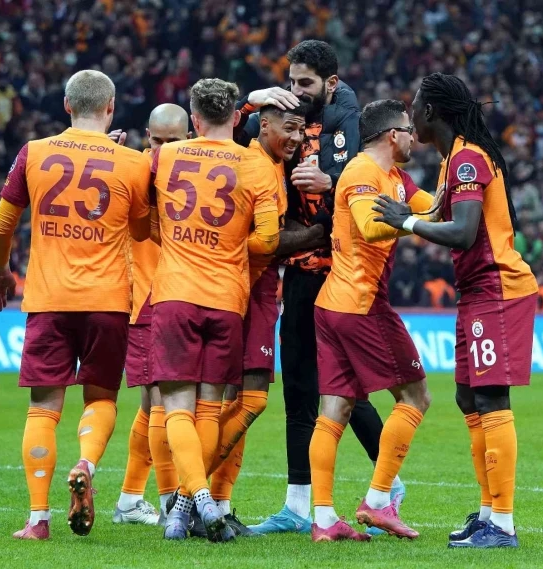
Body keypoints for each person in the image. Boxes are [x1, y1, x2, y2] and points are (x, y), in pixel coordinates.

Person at [237, 39, 403, 537]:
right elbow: (236, 129)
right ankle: (297, 505)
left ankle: (388, 489)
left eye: (304, 83)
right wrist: (253, 99)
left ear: (331, 83)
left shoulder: (348, 117)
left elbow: (362, 176)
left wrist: (329, 181)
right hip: (300, 274)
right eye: (290, 81)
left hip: (342, 274)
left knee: (345, 390)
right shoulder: (287, 111)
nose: (295, 91)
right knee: (301, 389)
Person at [373, 73, 539, 548]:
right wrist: (404, 211)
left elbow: (464, 232)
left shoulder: (467, 159)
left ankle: (502, 524)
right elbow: (439, 218)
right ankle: (487, 513)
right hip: (476, 292)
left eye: (415, 106)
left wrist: (406, 222)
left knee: (491, 400)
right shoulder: (453, 160)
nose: (411, 115)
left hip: (497, 290)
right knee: (468, 398)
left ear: (432, 112)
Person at [0, 70, 152, 540]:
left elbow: (0, 227)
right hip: (108, 300)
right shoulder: (132, 163)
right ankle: (86, 465)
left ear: (66, 105)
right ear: (110, 107)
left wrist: (1, 272)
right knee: (100, 399)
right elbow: (142, 231)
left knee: (43, 409)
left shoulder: (34, 152)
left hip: (49, 297)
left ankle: (38, 519)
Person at [149, 78, 281, 543]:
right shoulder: (257, 163)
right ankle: (190, 508)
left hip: (175, 292)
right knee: (209, 408)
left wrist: (176, 240)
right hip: (227, 298)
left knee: (176, 409)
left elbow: (146, 221)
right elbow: (269, 239)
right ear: (235, 116)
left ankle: (193, 500)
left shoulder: (164, 156)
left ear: (195, 119)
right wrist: (229, 248)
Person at [310, 100, 437, 542]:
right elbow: (369, 225)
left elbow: (435, 209)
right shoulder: (363, 172)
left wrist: (461, 189)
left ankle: (324, 520)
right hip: (361, 304)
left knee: (335, 409)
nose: (414, 137)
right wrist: (412, 224)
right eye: (408, 129)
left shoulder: (396, 178)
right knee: (416, 397)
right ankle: (379, 500)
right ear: (392, 135)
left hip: (333, 305)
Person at [207, 102, 309, 537]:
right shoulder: (254, 165)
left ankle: (215, 503)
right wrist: (320, 232)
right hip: (245, 287)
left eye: (301, 130)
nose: (296, 138)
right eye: (289, 128)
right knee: (249, 400)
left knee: (236, 400)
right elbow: (262, 241)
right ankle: (189, 494)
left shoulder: (271, 163)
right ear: (262, 126)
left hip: (256, 287)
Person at [112, 104, 190, 527]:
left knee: (151, 404)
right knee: (162, 400)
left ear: (189, 138)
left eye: (172, 142)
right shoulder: (134, 170)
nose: (161, 149)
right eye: (156, 141)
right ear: (146, 136)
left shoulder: (194, 172)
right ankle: (167, 505)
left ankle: (129, 499)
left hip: (177, 297)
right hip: (145, 300)